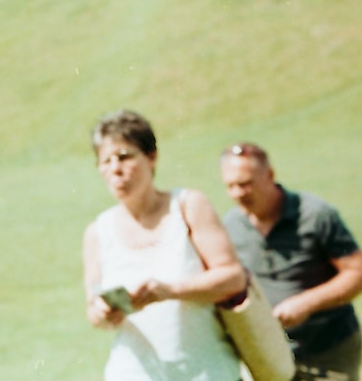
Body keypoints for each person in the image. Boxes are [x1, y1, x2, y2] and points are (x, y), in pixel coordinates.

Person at [82, 109, 245, 380]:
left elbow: (233, 277)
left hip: (205, 371)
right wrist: (103, 313)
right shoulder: (97, 232)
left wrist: (169, 291)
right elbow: (93, 309)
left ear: (152, 157)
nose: (115, 169)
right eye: (105, 161)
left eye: (124, 156)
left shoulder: (188, 206)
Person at [220, 143, 362, 380]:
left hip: (328, 349)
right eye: (230, 186)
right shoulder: (231, 225)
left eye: (245, 184)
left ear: (270, 175)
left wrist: (306, 303)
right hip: (272, 354)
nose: (238, 193)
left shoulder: (315, 215)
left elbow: (361, 274)